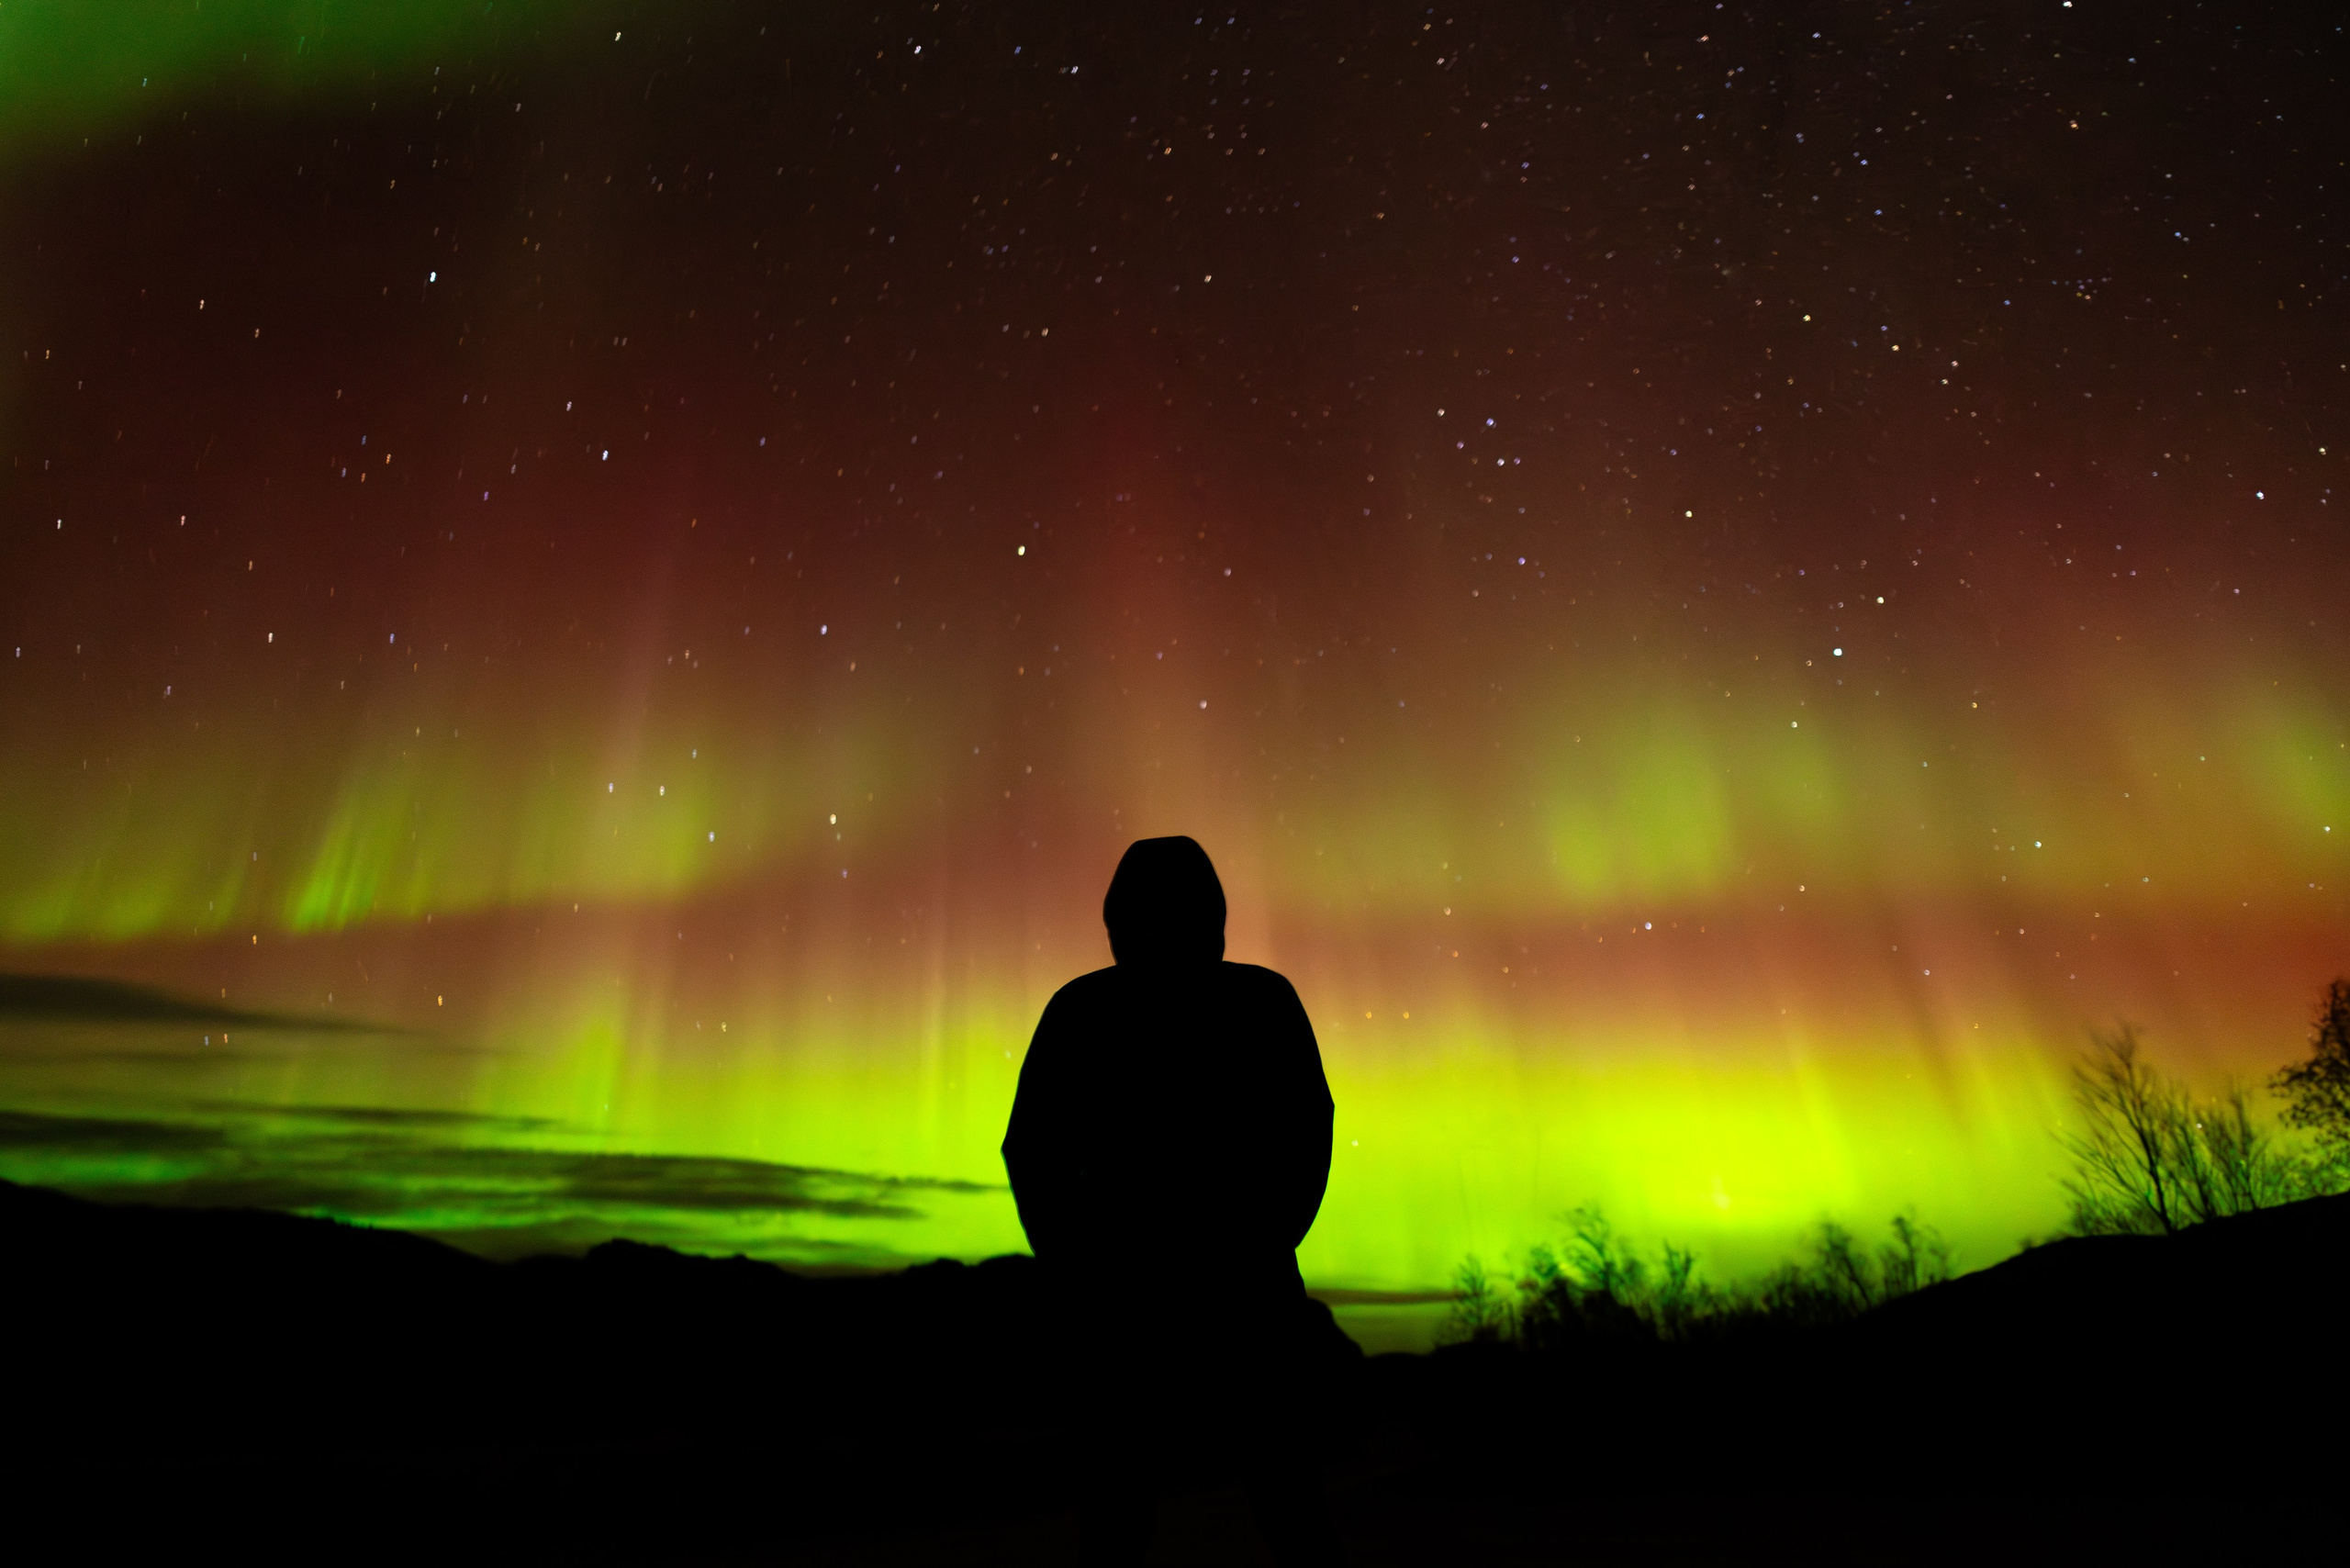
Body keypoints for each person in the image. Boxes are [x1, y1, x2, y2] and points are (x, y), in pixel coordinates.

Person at [1002, 836, 1343, 1565]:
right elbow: (1032, 1149)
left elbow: (1308, 1128)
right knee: (1184, 1512)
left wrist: (1076, 1264)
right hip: (1169, 1298)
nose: (1157, 933)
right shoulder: (1252, 1002)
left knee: (1224, 1510)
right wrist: (1079, 1265)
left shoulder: (1092, 1009)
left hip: (1181, 1297)